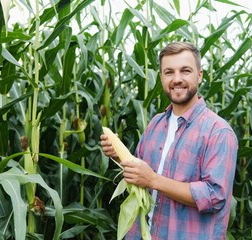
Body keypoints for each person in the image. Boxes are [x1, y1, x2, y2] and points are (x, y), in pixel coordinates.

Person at [101, 42, 238, 239]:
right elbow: (142, 175)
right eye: (169, 72)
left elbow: (214, 197)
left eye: (185, 71)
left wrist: (153, 180)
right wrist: (120, 155)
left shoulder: (218, 132)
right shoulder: (156, 124)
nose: (177, 79)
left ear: (200, 75)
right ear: (161, 77)